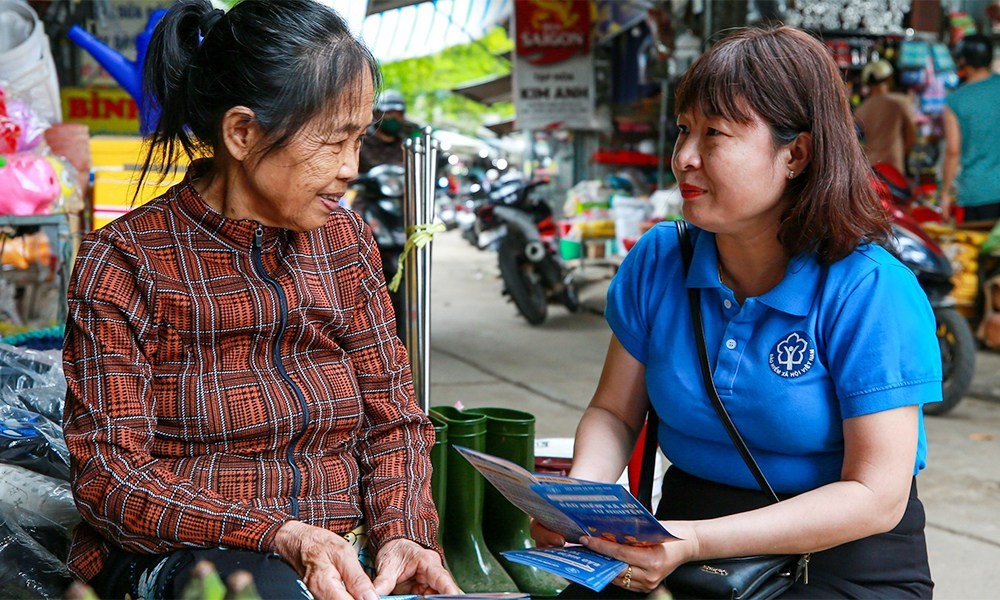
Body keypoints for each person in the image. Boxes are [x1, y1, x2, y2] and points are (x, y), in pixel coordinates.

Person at [61, 2, 459, 599]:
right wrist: (279, 535)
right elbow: (110, 479)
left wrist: (404, 533)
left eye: (359, 140)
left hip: (340, 553)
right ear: (242, 133)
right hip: (187, 557)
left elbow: (394, 419)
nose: (351, 167)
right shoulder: (125, 261)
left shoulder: (345, 243)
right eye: (333, 142)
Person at [531, 25, 939, 598]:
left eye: (715, 134)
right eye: (683, 130)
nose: (684, 158)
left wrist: (694, 540)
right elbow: (615, 413)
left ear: (795, 153)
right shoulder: (660, 260)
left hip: (836, 564)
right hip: (678, 545)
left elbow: (876, 496)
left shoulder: (870, 290)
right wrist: (580, 500)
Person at [940, 33, 1000, 223]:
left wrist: (945, 193)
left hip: (976, 192)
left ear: (963, 60)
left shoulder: (955, 100)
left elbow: (953, 151)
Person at [854, 59, 917, 177]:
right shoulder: (901, 102)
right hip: (894, 165)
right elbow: (911, 135)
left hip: (871, 168)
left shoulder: (861, 109)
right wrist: (904, 153)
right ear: (889, 79)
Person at [358, 89, 410, 174]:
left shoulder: (405, 145)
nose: (394, 117)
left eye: (398, 114)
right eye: (389, 113)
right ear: (377, 114)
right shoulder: (362, 143)